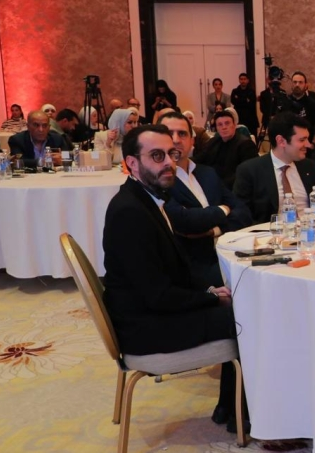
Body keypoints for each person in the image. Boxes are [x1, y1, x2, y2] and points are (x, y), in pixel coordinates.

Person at [102, 124, 243, 432]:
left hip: (150, 313)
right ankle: (243, 415)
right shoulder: (130, 212)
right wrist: (209, 298)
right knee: (248, 320)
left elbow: (167, 276)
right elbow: (157, 296)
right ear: (132, 163)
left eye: (171, 154)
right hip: (145, 329)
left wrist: (208, 290)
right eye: (157, 156)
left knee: (240, 308)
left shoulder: (147, 199)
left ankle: (231, 409)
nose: (169, 163)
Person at [159, 111, 252, 285]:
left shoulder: (207, 173)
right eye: (169, 133)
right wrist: (224, 209)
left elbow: (243, 213)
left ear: (192, 141)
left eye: (182, 134)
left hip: (230, 255)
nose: (176, 140)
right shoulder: (159, 180)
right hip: (191, 269)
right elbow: (185, 221)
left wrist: (213, 230)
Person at [233, 113, 315, 224]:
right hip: (271, 232)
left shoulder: (311, 167)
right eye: (302, 140)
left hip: (310, 230)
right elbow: (241, 215)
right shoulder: (250, 170)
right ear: (281, 141)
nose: (308, 145)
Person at [193, 110, 258, 188]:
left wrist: (218, 185)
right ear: (217, 128)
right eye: (220, 125)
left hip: (233, 187)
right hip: (212, 182)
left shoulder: (246, 144)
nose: (224, 127)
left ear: (234, 125)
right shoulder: (214, 141)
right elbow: (200, 157)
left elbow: (246, 173)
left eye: (227, 123)